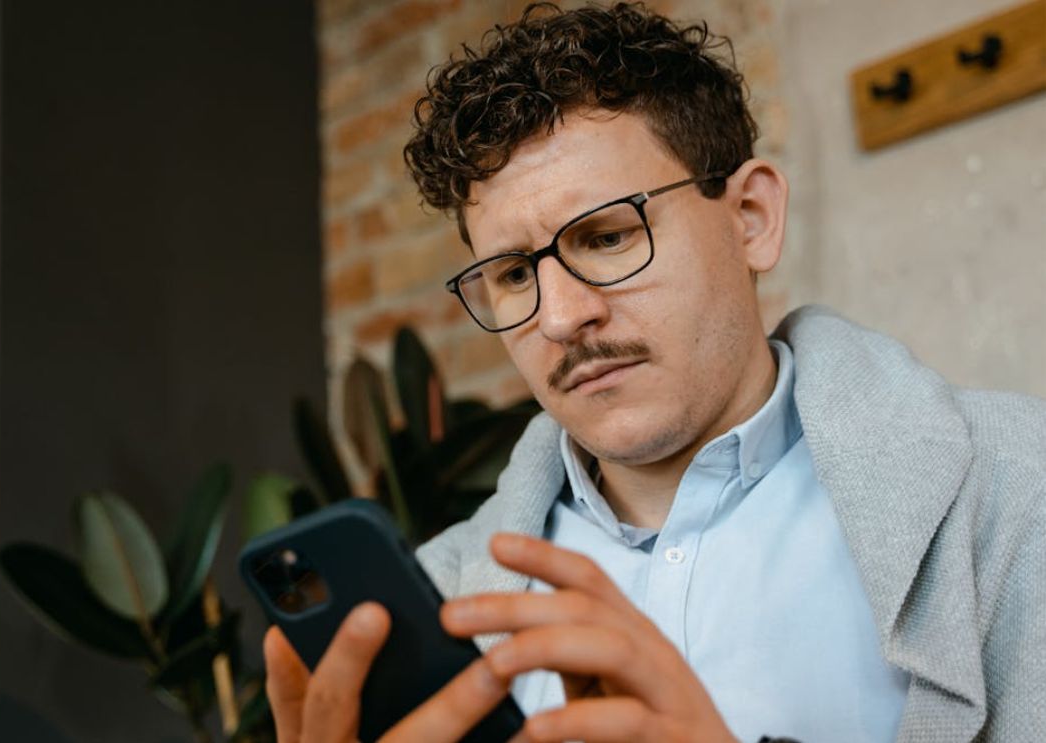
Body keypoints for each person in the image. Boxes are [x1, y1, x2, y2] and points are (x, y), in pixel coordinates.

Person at [262, 3, 1046, 741]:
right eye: (510, 274)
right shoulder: (441, 600)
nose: (560, 317)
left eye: (605, 236)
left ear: (751, 219)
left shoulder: (1014, 492)